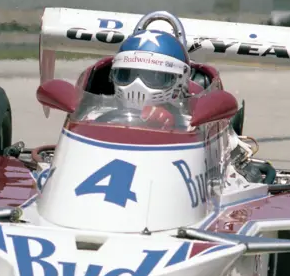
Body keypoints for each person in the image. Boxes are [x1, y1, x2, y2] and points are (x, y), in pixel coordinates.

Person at [108, 27, 274, 184]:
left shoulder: (197, 125)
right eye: (126, 75)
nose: (136, 86)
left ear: (179, 81)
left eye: (153, 77)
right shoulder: (95, 117)